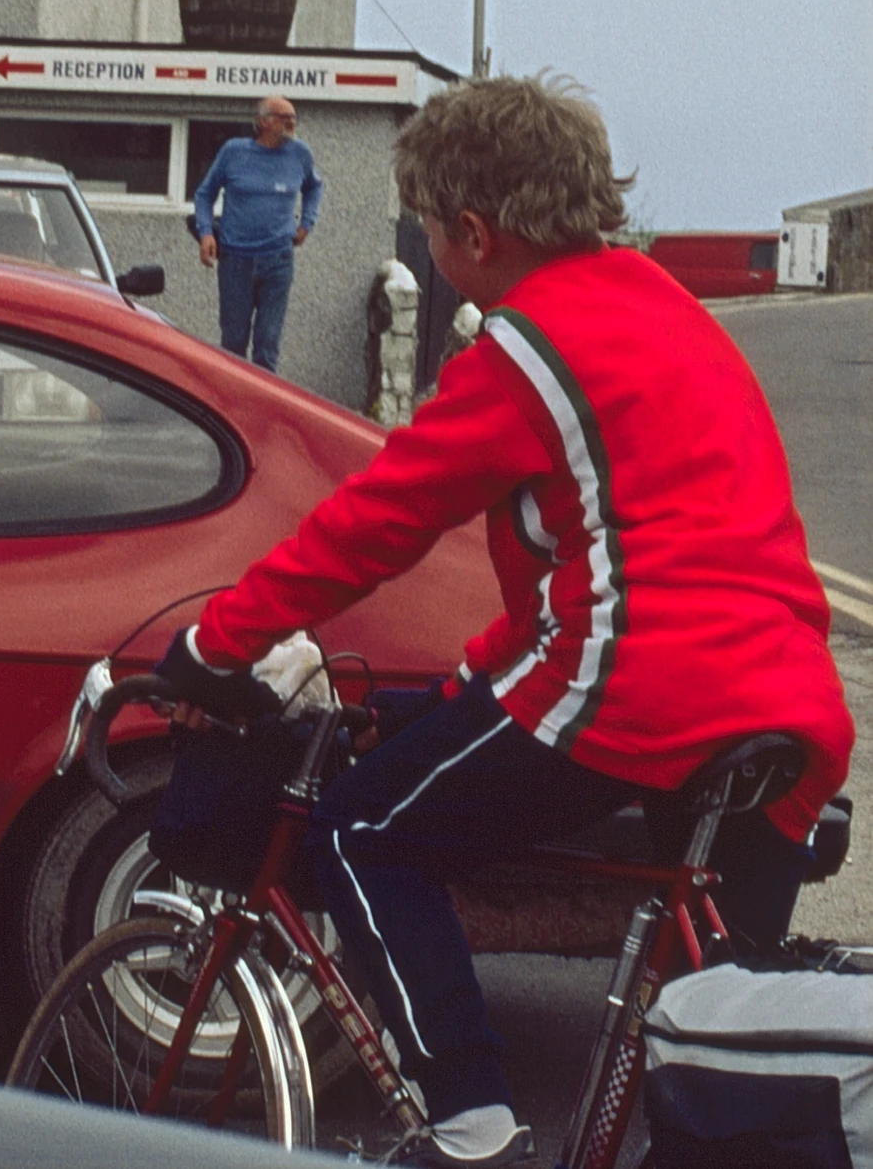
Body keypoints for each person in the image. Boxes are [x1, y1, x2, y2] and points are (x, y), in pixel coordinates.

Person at [162, 73, 851, 1168]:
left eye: (430, 226)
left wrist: (217, 640)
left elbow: (376, 523)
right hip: (782, 694)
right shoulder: (666, 306)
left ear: (473, 233)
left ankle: (471, 1125)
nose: (433, 245)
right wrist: (454, 692)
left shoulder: (527, 353)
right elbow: (592, 566)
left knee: (360, 828)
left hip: (636, 681)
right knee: (720, 1059)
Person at [192, 95, 322, 369]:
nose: (291, 123)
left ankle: (262, 408)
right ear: (263, 121)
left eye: (294, 118)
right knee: (233, 343)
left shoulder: (301, 153)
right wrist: (205, 233)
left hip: (278, 260)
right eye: (284, 117)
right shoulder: (234, 152)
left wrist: (307, 223)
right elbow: (205, 194)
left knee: (267, 345)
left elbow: (314, 187)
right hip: (235, 261)